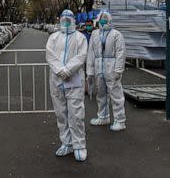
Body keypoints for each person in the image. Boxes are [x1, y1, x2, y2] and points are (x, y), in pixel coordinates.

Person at [46, 9, 89, 161]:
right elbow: (49, 55)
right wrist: (60, 70)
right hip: (57, 81)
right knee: (61, 113)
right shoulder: (53, 37)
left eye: (68, 18)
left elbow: (81, 56)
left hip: (74, 80)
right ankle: (67, 143)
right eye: (63, 18)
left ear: (73, 20)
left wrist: (68, 70)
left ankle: (79, 145)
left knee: (76, 114)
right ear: (60, 20)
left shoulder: (80, 38)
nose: (65, 21)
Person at [87, 10, 127, 132]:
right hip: (99, 67)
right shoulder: (95, 34)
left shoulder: (116, 34)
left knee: (116, 95)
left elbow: (121, 52)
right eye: (101, 19)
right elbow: (91, 53)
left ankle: (120, 120)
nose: (103, 21)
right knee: (101, 94)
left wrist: (118, 69)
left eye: (105, 18)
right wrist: (90, 70)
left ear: (110, 20)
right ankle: (103, 116)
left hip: (111, 66)